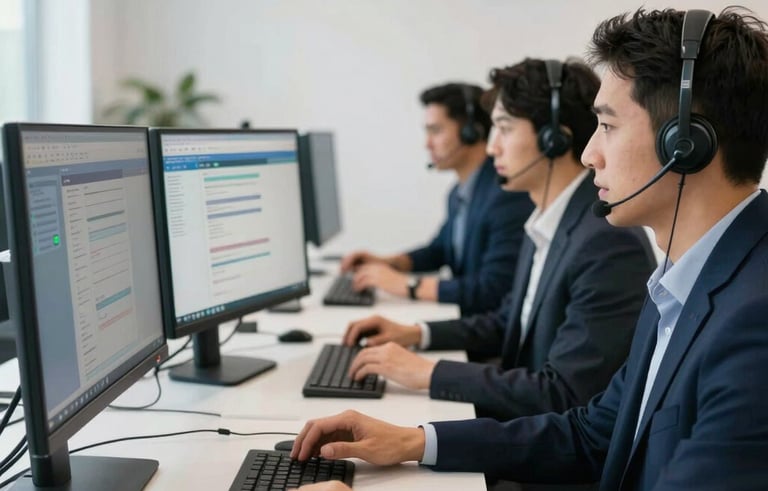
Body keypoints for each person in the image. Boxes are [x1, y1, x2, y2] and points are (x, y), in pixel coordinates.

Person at [291, 8, 768, 490]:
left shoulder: (754, 324)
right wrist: (417, 441)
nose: (588, 154)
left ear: (685, 143)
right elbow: (593, 433)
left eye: (607, 126)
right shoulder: (681, 280)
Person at [341, 58, 656, 422]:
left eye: (504, 129)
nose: (492, 148)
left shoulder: (606, 244)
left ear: (552, 139)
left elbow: (564, 394)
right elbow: (510, 321)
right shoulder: (548, 219)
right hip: (519, 422)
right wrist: (415, 334)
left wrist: (428, 373)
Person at [341, 83, 534, 316]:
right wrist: (389, 263)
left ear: (470, 131)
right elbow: (441, 249)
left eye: (435, 131)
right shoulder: (459, 193)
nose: (427, 143)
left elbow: (493, 289)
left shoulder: (505, 195)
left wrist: (405, 285)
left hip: (487, 335)